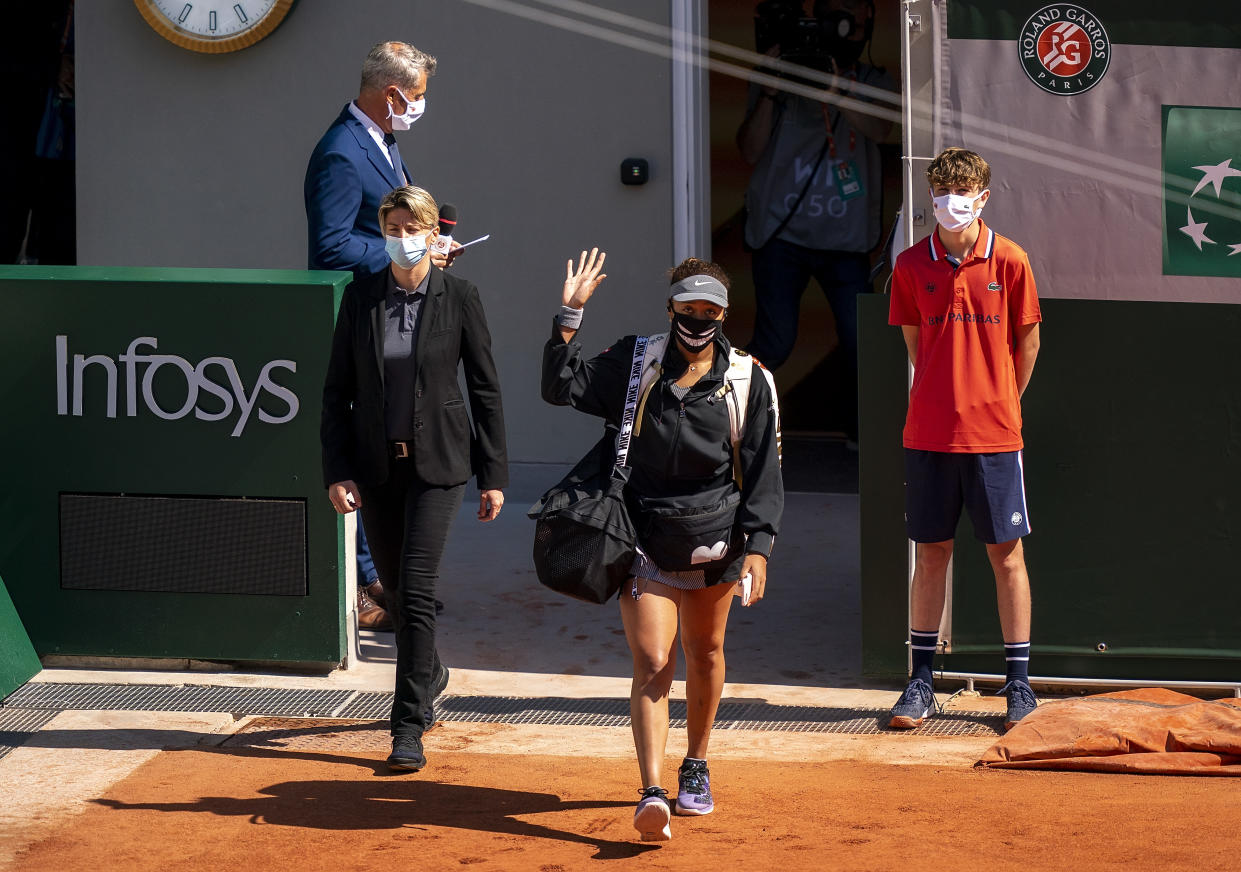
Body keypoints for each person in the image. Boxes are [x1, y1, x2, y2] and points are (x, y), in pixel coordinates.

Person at [542, 250, 783, 842]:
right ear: (670, 307)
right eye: (687, 307)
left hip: (716, 539)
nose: (698, 319)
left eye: (710, 310)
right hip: (643, 534)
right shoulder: (636, 360)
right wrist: (569, 314)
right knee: (653, 661)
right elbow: (561, 385)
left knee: (705, 653)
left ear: (724, 314)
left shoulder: (751, 379)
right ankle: (652, 790)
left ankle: (695, 763)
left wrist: (759, 546)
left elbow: (763, 470)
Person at [321, 185, 508, 771]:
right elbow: (336, 393)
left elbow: (484, 387)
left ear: (434, 235)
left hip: (441, 466)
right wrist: (337, 470)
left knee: (419, 590)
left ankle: (407, 726)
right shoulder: (361, 299)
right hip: (378, 467)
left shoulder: (459, 296)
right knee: (399, 596)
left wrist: (493, 474)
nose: (401, 238)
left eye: (411, 228)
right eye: (392, 227)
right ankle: (429, 672)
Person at [886, 147, 1042, 731]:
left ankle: (1019, 685)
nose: (951, 202)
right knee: (931, 554)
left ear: (983, 196)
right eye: (942, 192)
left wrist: (1001, 399)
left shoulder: (1011, 260)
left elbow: (1026, 345)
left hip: (995, 435)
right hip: (927, 433)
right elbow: (913, 345)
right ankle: (920, 682)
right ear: (931, 197)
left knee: (1007, 557)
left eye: (962, 191)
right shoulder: (908, 266)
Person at [305, 40, 452, 629]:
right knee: (367, 446)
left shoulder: (382, 142)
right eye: (416, 97)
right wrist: (402, 250)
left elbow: (395, 222)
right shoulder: (342, 152)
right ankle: (369, 586)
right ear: (391, 93)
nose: (419, 107)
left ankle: (392, 583)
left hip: (392, 314)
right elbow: (332, 245)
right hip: (359, 322)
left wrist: (427, 244)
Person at [737, 0, 894, 441]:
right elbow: (748, 151)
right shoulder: (774, 78)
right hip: (780, 234)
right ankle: (721, 424)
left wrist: (835, 91)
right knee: (775, 343)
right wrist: (771, 85)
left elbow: (882, 131)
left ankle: (864, 438)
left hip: (846, 241)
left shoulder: (873, 80)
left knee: (862, 343)